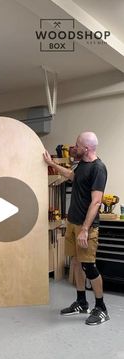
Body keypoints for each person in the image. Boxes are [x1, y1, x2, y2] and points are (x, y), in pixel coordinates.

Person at [43, 132, 109, 326]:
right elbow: (71, 175)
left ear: (86, 148)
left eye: (78, 145)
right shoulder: (82, 165)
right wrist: (51, 164)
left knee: (89, 266)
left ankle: (101, 308)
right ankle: (81, 302)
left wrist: (85, 229)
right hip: (73, 223)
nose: (74, 147)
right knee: (76, 263)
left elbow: (96, 202)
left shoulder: (99, 168)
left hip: (85, 227)